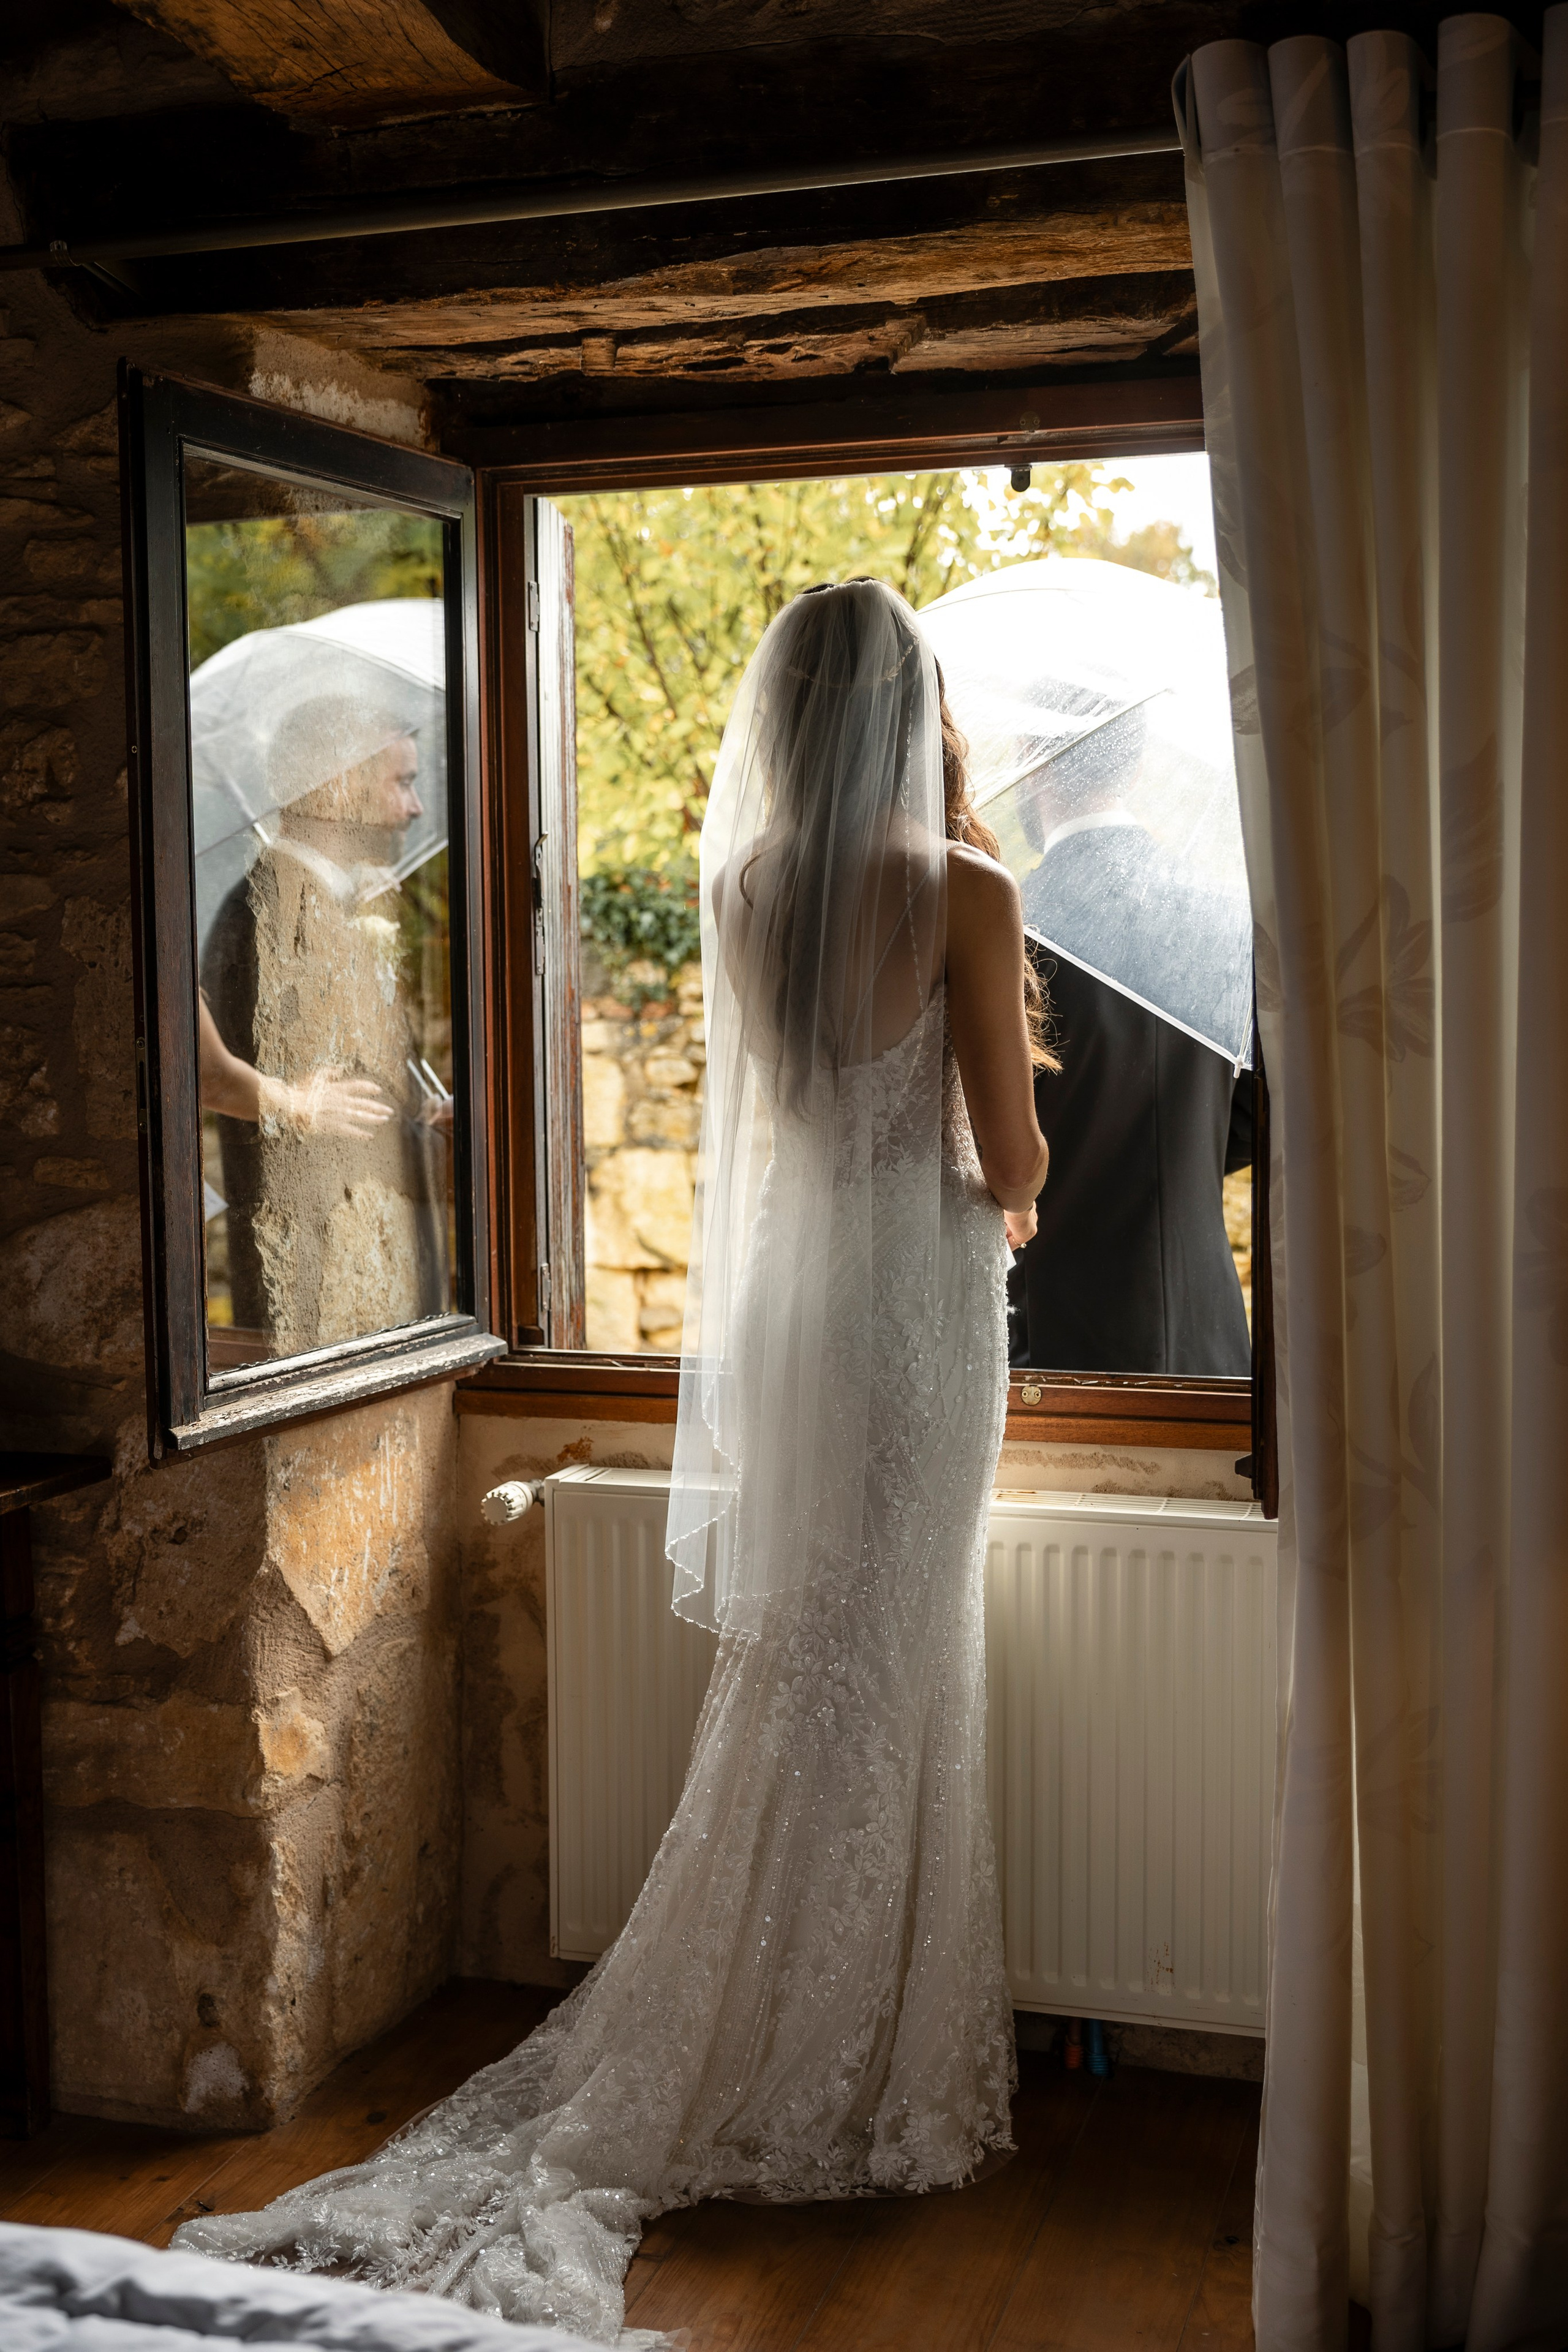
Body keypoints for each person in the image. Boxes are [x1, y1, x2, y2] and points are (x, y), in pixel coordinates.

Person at [174, 580, 1051, 2346]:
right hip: (925, 1319)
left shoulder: (742, 887)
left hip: (804, 1321)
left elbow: (783, 1124)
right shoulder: (966, 891)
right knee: (902, 1670)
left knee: (810, 1662)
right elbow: (1011, 1157)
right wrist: (1014, 1158)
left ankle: (777, 2032)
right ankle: (856, 2062)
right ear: (912, 707)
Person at [1006, 691, 1252, 1376]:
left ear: (1034, 759)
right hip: (1206, 1337)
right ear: (1135, 764)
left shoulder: (1008, 925)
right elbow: (1261, 1112)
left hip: (1049, 1336)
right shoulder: (1226, 915)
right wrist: (1176, 1151)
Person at [200, 707, 451, 1357]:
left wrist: (419, 1114)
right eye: (402, 783)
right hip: (318, 1290)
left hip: (373, 1281)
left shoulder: (340, 906)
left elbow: (352, 1077)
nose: (417, 808)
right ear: (337, 790)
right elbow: (297, 1123)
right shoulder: (260, 917)